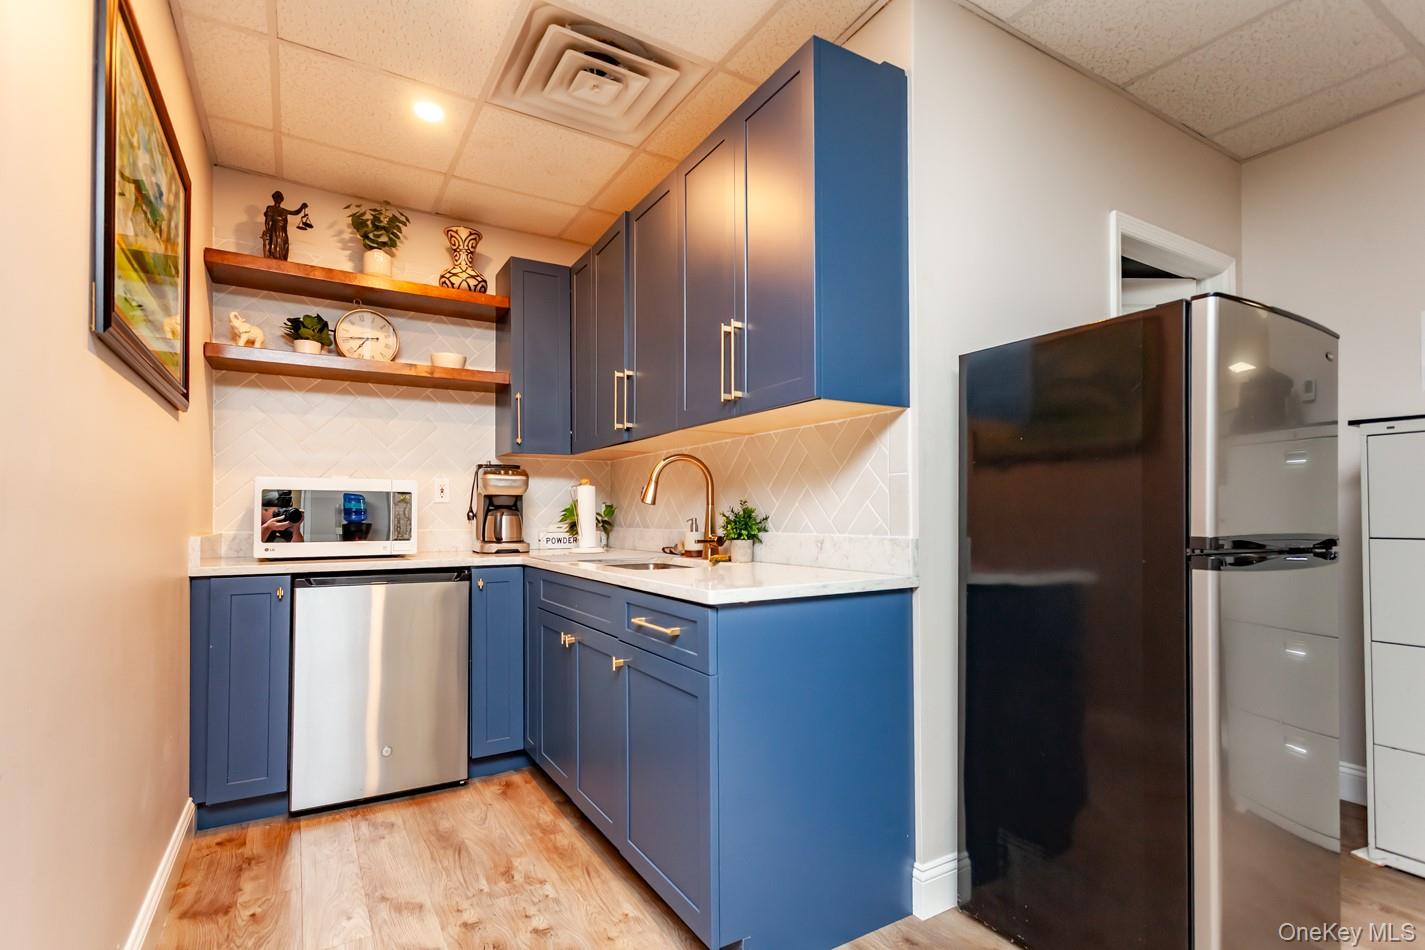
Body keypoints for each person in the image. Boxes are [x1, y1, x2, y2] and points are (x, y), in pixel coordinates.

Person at [261, 191, 307, 260]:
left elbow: (295, 212)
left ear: (282, 199)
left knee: (284, 246)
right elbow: (267, 221)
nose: (278, 199)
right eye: (277, 197)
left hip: (283, 232)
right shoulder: (270, 208)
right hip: (275, 231)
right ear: (274, 198)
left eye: (280, 198)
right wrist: (267, 231)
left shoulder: (284, 211)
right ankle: (274, 258)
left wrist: (302, 207)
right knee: (275, 246)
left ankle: (282, 260)